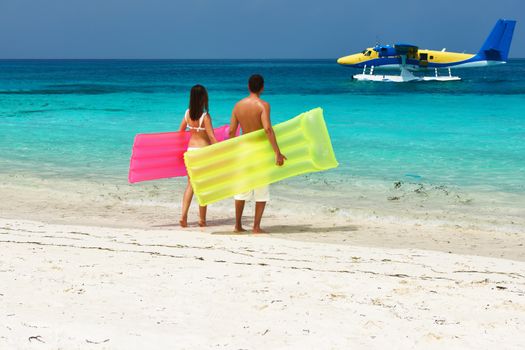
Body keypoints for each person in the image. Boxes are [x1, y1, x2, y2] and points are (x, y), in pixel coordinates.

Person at [229, 74, 286, 233]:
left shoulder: (238, 106)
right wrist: (277, 152)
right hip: (259, 152)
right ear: (262, 87)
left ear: (248, 87)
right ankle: (256, 227)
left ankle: (238, 225)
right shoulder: (263, 105)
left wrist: (231, 151)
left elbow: (232, 131)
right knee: (261, 189)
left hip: (243, 151)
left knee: (241, 189)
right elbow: (267, 129)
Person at [179, 84, 218, 228]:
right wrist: (223, 150)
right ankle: (202, 219)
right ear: (203, 98)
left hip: (190, 152)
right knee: (203, 186)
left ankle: (183, 216)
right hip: (203, 153)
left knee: (190, 185)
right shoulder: (205, 116)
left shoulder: (187, 114)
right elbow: (212, 137)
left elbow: (180, 133)